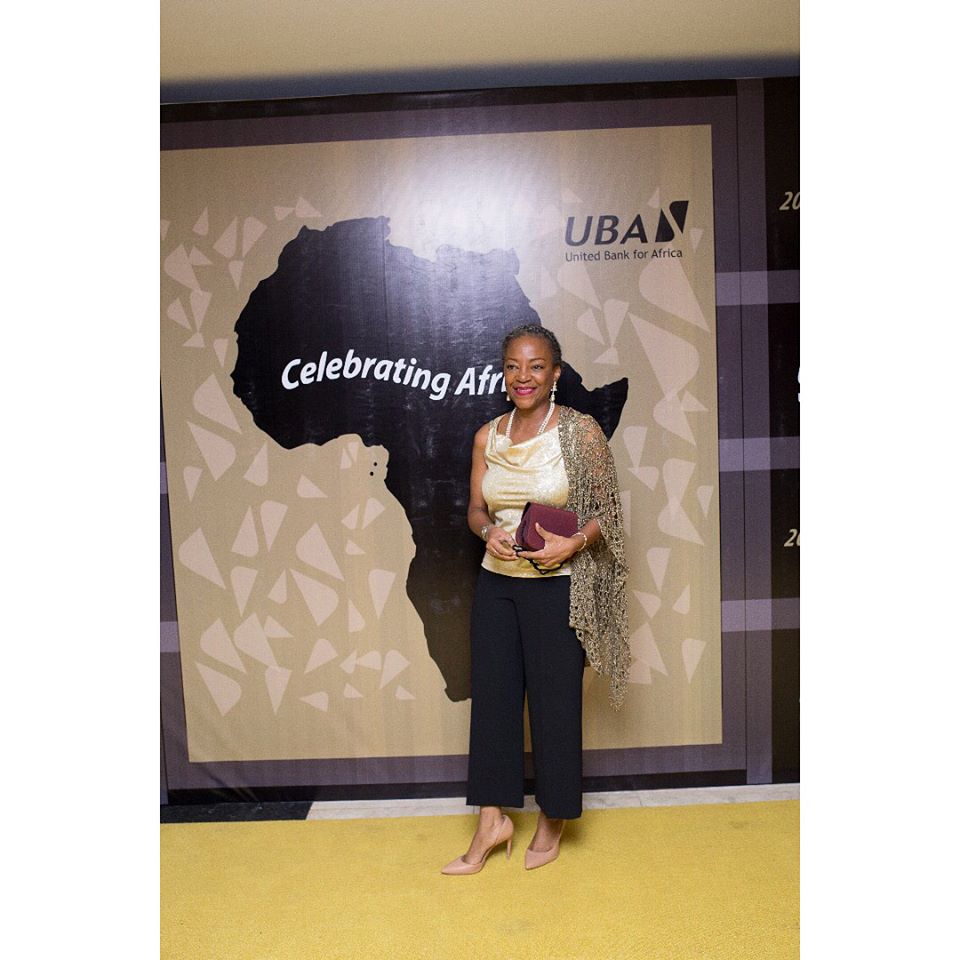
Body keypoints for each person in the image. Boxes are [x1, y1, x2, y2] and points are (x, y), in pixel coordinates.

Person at [441, 323, 630, 875]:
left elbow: (608, 513)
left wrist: (573, 543)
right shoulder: (487, 436)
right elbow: (476, 509)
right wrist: (486, 532)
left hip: (558, 587)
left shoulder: (580, 431)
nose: (523, 376)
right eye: (513, 366)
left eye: (536, 366)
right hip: (497, 584)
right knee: (493, 703)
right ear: (504, 374)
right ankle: (491, 822)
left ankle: (553, 816)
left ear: (556, 374)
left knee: (554, 705)